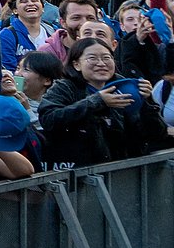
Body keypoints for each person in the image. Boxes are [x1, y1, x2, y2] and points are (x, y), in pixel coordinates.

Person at [38, 39, 171, 169]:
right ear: (76, 64)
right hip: (81, 172)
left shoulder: (124, 87)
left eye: (106, 58)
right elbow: (49, 118)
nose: (101, 63)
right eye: (92, 58)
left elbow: (157, 133)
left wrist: (147, 101)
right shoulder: (64, 87)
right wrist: (97, 101)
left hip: (124, 172)